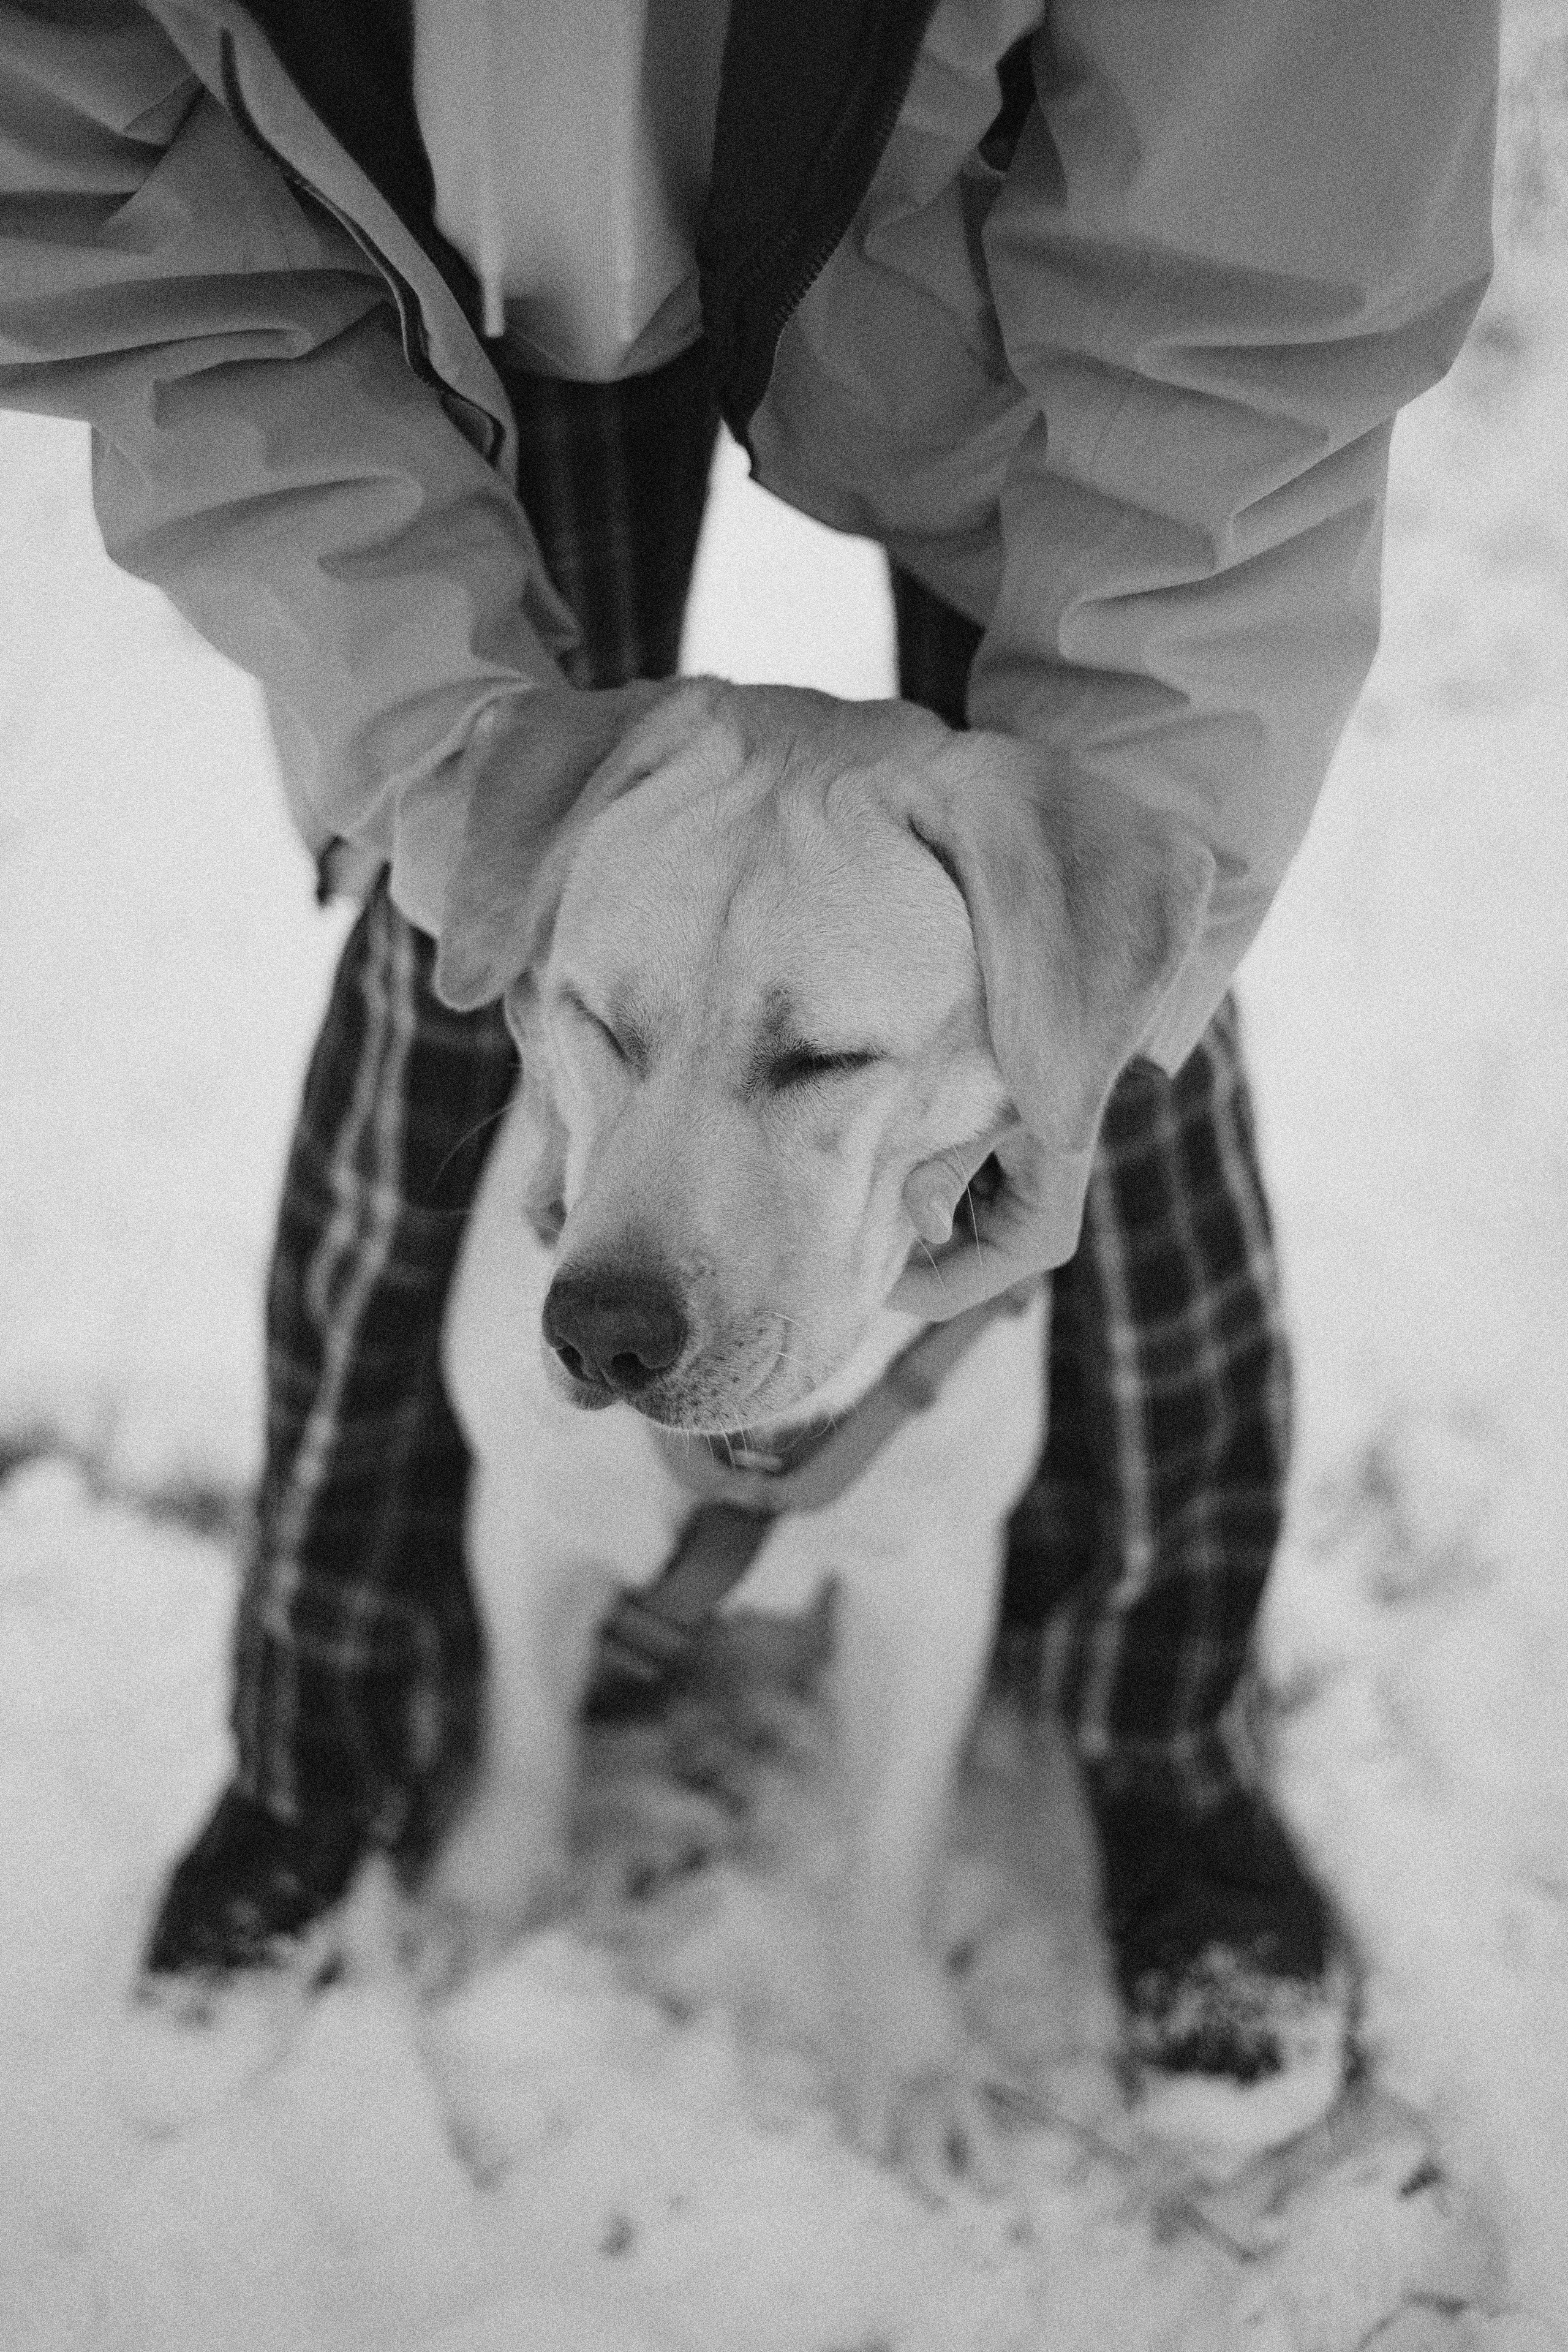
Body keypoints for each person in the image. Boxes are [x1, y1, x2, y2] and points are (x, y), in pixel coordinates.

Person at [0, 0, 1497, 2129]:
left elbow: (1258, 292)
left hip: (1025, 249)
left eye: (815, 1064)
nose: (637, 1220)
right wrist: (460, 788)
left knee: (1124, 1003)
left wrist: (1104, 954)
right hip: (378, 266)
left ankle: (1165, 1742)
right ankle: (325, 1729)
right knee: (455, 956)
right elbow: (128, 241)